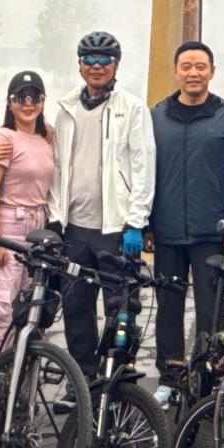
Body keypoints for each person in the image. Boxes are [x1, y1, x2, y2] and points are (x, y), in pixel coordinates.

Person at [147, 41, 224, 397]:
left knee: (212, 308)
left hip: (212, 232)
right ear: (176, 71)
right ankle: (171, 376)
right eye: (187, 66)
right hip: (167, 230)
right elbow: (143, 172)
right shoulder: (156, 116)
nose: (194, 73)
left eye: (201, 66)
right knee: (168, 307)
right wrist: (145, 222)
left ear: (212, 71)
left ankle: (208, 373)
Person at [47, 30, 156, 373]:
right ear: (80, 67)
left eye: (104, 60)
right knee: (76, 309)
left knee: (121, 309)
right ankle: (82, 382)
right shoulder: (65, 109)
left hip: (115, 227)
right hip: (75, 228)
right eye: (89, 60)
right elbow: (58, 167)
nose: (97, 67)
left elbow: (143, 165)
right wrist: (54, 218)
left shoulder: (133, 108)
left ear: (116, 65)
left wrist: (136, 221)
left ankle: (118, 379)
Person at [0, 71, 56, 357]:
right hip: (9, 223)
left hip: (39, 227)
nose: (27, 103)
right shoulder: (5, 137)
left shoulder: (47, 136)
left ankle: (22, 385)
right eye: (20, 97)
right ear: (9, 103)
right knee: (2, 309)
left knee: (31, 307)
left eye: (34, 96)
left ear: (43, 100)